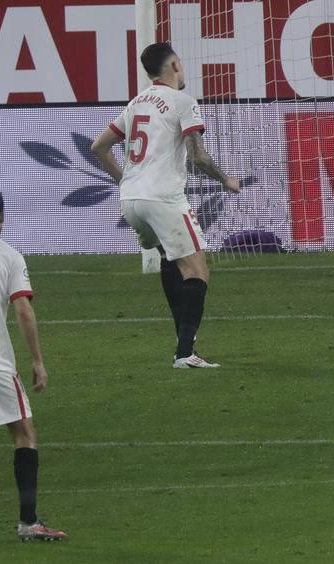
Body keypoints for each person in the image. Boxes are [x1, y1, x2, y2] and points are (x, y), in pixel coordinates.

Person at [90, 42, 241, 369]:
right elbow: (197, 155)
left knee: (170, 261)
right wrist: (226, 180)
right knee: (198, 272)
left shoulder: (136, 103)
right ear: (173, 64)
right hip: (163, 199)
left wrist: (126, 180)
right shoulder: (183, 102)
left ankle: (183, 342)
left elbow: (99, 147)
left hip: (131, 202)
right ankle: (185, 353)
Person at [0, 188, 66, 542]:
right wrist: (37, 361)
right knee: (24, 434)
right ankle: (28, 522)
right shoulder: (9, 256)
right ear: (1, 220)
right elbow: (23, 309)